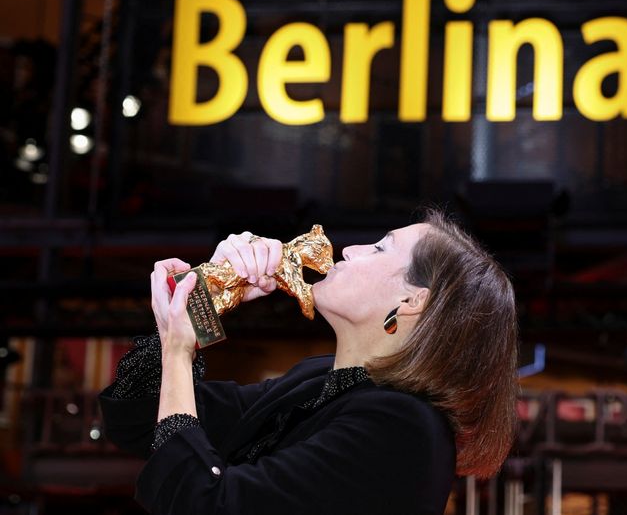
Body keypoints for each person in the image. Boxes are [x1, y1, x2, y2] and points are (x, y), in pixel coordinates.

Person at [98, 209, 519, 515]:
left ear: (411, 301)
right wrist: (207, 295)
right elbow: (137, 421)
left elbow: (199, 501)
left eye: (379, 247)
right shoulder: (317, 381)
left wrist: (179, 351)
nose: (351, 249)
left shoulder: (403, 428)